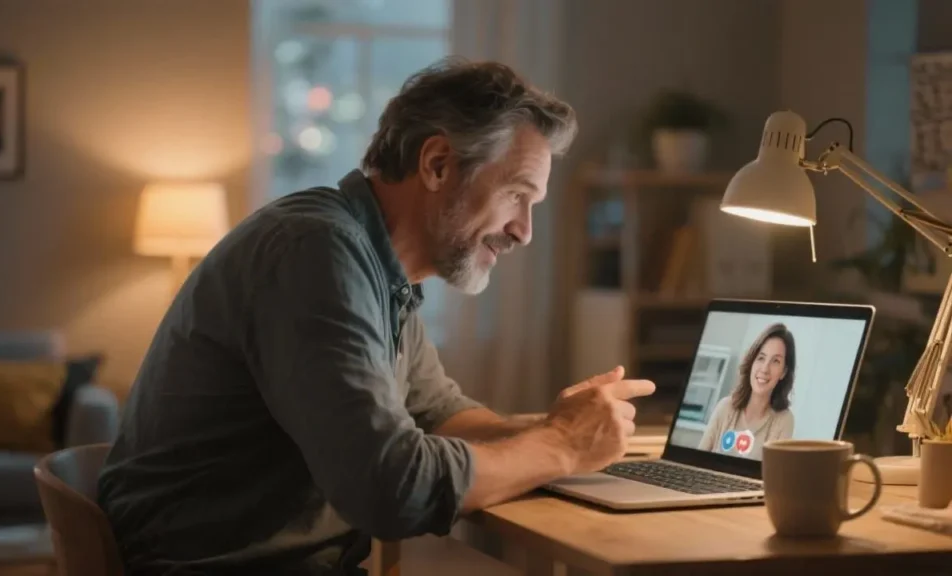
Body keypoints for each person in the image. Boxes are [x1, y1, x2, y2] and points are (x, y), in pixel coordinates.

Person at [97, 57, 656, 575]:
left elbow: (437, 411)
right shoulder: (316, 254)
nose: (524, 231)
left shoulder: (376, 265)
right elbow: (392, 487)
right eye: (516, 195)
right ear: (437, 164)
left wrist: (553, 425)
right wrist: (560, 446)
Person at [697, 323, 796, 460]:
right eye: (761, 358)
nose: (765, 369)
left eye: (775, 361)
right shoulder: (725, 407)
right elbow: (696, 461)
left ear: (783, 372)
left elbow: (774, 475)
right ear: (752, 362)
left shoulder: (783, 420)